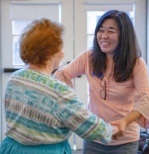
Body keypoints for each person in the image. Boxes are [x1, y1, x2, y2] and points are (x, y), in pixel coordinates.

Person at [0, 18, 119, 154]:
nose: (63, 53)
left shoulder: (15, 78)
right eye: (61, 48)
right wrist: (113, 129)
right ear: (50, 54)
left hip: (11, 148)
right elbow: (89, 127)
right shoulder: (58, 91)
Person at [54, 10, 149, 154]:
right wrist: (69, 103)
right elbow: (62, 74)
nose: (104, 36)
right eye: (100, 30)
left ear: (124, 35)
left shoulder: (136, 63)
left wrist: (124, 122)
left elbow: (146, 99)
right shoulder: (89, 56)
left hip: (125, 140)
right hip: (94, 135)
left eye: (111, 31)